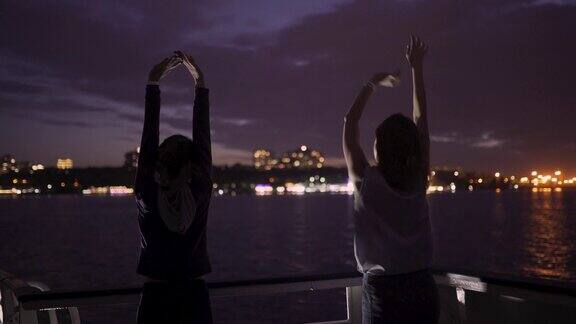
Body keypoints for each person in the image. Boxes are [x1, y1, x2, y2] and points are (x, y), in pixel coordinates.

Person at [342, 36, 439, 323]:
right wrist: (416, 68)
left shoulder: (366, 181)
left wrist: (372, 83)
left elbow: (350, 124)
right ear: (413, 149)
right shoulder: (418, 176)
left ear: (378, 148)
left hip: (384, 291)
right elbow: (421, 120)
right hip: (422, 285)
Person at [135, 51, 213, 324]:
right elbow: (203, 139)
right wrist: (199, 83)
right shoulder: (200, 190)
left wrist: (153, 83)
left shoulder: (147, 192)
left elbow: (148, 139)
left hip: (155, 298)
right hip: (195, 298)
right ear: (192, 167)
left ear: (157, 165)